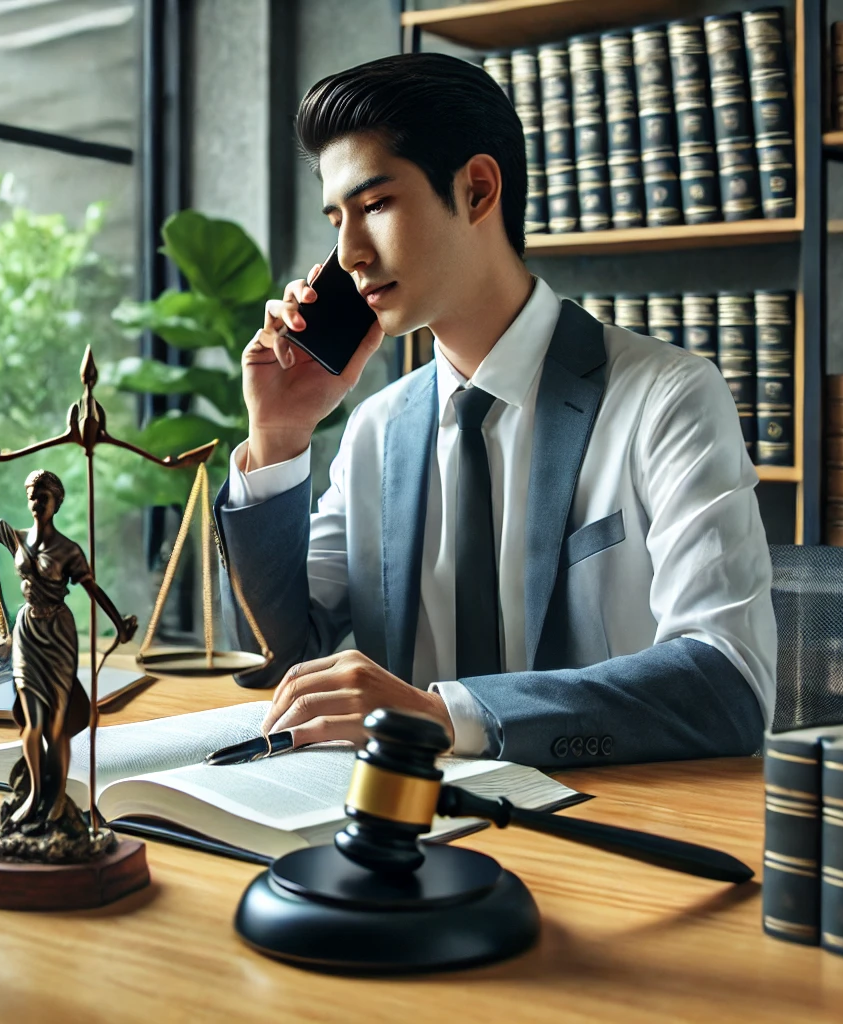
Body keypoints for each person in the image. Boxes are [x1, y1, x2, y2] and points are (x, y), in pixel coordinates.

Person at [213, 52, 776, 767]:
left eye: (376, 206)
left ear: (477, 190)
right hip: (402, 817)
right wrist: (279, 436)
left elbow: (727, 683)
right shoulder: (375, 432)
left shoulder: (668, 397)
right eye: (337, 220)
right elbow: (268, 661)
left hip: (603, 818)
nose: (349, 253)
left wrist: (444, 716)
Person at [0, 470, 136, 825]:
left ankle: (55, 799)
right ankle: (34, 795)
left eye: (43, 496)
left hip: (58, 632)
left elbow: (93, 590)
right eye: (32, 495)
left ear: (56, 501)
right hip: (27, 630)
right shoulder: (15, 536)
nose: (36, 502)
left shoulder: (69, 550)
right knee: (32, 723)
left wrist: (118, 623)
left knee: (57, 724)